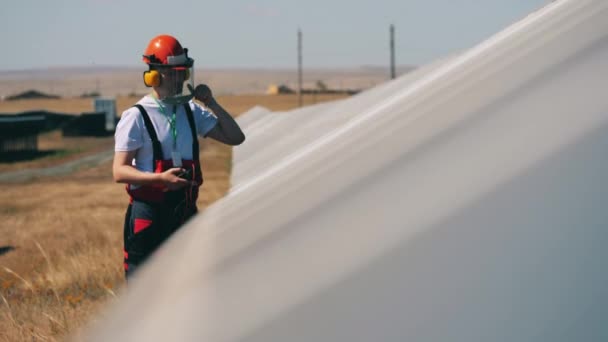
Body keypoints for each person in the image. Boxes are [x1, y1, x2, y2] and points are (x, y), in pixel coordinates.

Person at [113, 34, 245, 279]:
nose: (180, 78)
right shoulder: (136, 116)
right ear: (154, 75)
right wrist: (159, 179)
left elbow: (235, 137)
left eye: (183, 72)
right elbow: (119, 171)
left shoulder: (191, 110)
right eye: (174, 72)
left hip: (184, 213)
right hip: (149, 217)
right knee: (145, 291)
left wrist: (211, 103)